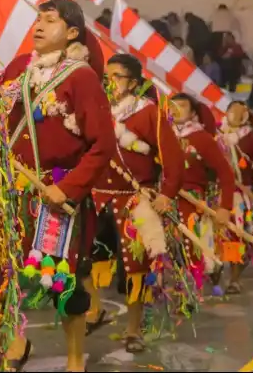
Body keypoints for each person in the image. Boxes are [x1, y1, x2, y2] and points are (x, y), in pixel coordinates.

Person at [0, 0, 116, 372]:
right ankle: (17, 342)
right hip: (15, 192)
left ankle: (74, 358)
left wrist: (68, 190)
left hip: (58, 196)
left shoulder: (81, 77)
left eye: (49, 20)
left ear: (70, 33)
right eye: (37, 18)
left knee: (64, 280)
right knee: (6, 274)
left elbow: (103, 145)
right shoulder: (19, 69)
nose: (38, 25)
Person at [88, 54, 186, 353]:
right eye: (106, 76)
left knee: (135, 269)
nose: (109, 82)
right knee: (87, 259)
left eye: (116, 76)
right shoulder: (97, 111)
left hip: (134, 201)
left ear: (133, 82)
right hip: (97, 198)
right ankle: (95, 309)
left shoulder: (148, 113)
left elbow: (173, 158)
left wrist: (167, 193)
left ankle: (133, 329)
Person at [169, 93, 235, 290]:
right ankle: (179, 289)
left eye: (182, 105)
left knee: (190, 248)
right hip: (164, 199)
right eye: (173, 105)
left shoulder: (202, 138)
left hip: (192, 201)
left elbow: (226, 173)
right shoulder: (162, 134)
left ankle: (188, 295)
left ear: (192, 112)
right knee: (169, 250)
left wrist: (225, 207)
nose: (177, 109)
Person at [218, 101, 253, 291]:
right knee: (213, 236)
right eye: (232, 110)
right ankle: (214, 271)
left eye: (240, 112)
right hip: (214, 193)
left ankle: (234, 278)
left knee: (236, 235)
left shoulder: (252, 138)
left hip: (239, 196)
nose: (235, 114)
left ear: (246, 116)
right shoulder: (216, 134)